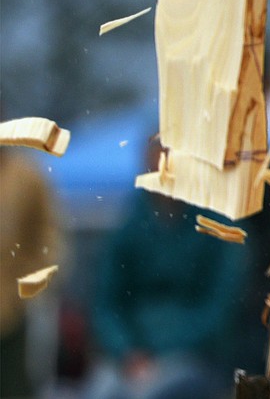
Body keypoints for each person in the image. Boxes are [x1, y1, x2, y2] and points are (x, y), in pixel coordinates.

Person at [83, 139, 250, 399]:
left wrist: (165, 348)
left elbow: (220, 307)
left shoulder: (213, 228)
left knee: (153, 392)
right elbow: (107, 302)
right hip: (131, 356)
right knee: (103, 391)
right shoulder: (130, 226)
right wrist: (126, 350)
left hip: (193, 356)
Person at [0, 147, 60, 399]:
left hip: (16, 314)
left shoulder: (26, 176)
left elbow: (49, 239)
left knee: (17, 387)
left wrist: (30, 288)